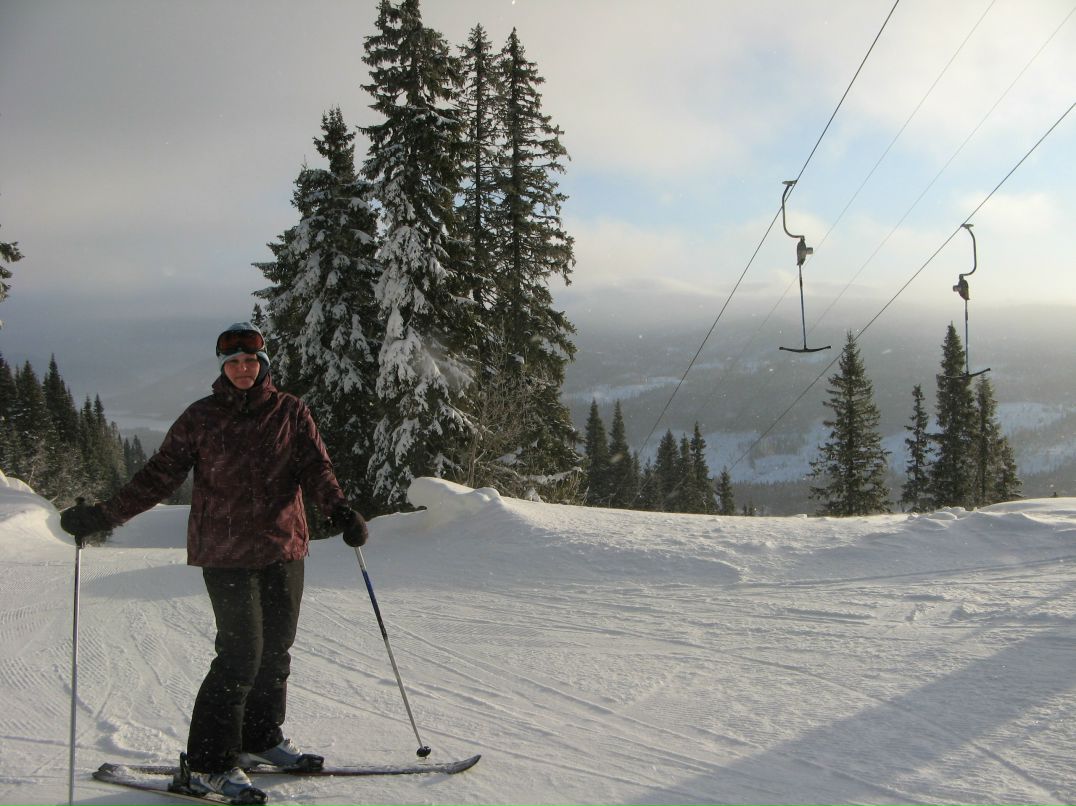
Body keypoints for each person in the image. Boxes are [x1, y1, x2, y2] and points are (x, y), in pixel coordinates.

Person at [60, 322, 369, 804]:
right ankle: (206, 765)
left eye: (251, 361)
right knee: (240, 656)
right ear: (223, 367)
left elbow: (315, 466)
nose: (243, 369)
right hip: (224, 554)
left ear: (263, 365)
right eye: (234, 363)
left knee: (276, 652)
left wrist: (339, 509)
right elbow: (159, 476)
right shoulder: (200, 418)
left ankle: (260, 738)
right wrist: (103, 516)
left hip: (283, 547)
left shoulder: (291, 411)